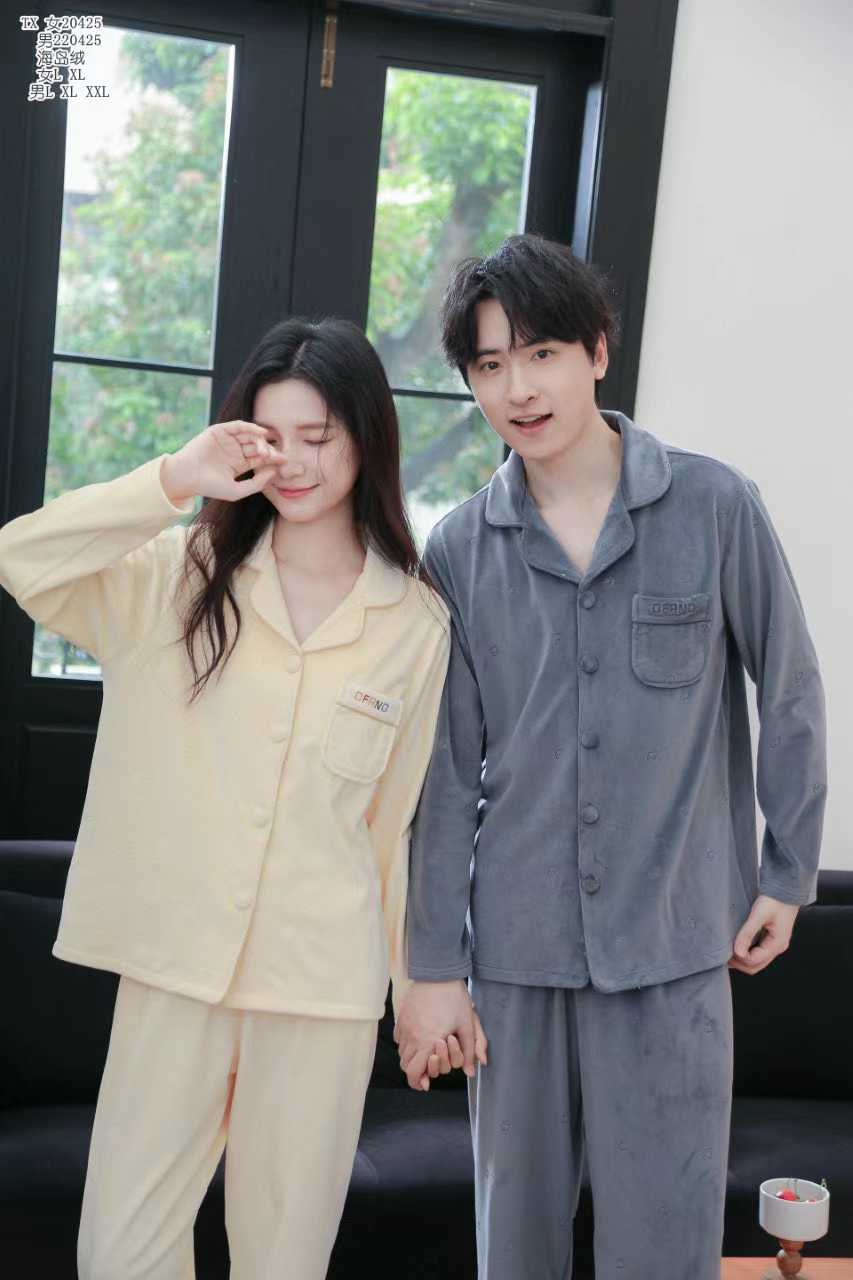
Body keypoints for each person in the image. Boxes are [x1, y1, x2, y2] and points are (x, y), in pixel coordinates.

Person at [394, 234, 827, 1279]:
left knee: (666, 1243)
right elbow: (444, 777)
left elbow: (790, 687)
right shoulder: (459, 549)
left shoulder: (714, 507)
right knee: (516, 1244)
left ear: (595, 350)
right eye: (489, 365)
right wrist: (433, 965)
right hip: (515, 955)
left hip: (673, 943)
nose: (517, 388)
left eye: (540, 353)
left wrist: (787, 872)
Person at [0, 317, 450, 1280]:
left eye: (318, 436)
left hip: (319, 988)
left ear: (366, 438)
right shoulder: (174, 578)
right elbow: (22, 556)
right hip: (174, 970)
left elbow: (395, 831)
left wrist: (417, 988)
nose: (293, 462)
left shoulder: (414, 622)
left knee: (283, 1261)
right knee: (121, 1253)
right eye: (270, 436)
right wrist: (174, 477)